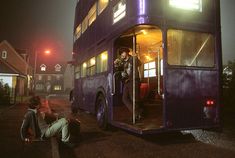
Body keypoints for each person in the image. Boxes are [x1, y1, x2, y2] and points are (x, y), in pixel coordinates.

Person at [114, 47, 142, 121]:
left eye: (123, 52)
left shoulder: (132, 59)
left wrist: (135, 57)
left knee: (134, 99)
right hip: (126, 82)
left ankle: (136, 115)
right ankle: (137, 113)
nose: (121, 55)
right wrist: (116, 65)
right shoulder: (122, 62)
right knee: (124, 98)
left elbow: (140, 63)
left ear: (127, 52)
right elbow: (119, 72)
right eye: (120, 54)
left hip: (133, 80)